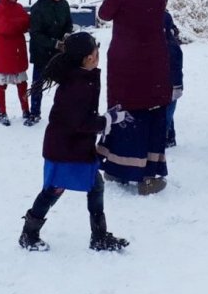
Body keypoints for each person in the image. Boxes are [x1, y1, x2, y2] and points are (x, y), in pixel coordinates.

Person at [19, 33, 131, 252]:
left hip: (73, 146)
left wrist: (105, 117)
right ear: (88, 59)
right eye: (96, 54)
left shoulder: (81, 77)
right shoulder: (78, 85)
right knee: (54, 190)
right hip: (65, 149)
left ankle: (98, 236)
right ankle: (29, 234)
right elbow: (81, 122)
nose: (99, 58)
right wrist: (108, 119)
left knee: (94, 186)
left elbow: (81, 117)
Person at [95, 0, 171, 195]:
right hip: (155, 62)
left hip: (126, 63)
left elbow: (103, 14)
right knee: (149, 115)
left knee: (125, 114)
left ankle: (117, 168)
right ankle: (148, 175)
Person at [28, 0, 73, 125]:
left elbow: (68, 24)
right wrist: (54, 43)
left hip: (59, 54)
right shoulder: (38, 8)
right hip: (42, 53)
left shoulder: (64, 5)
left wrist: (67, 35)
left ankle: (65, 112)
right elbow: (35, 34)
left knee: (66, 83)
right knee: (38, 84)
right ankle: (34, 113)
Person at [0, 0, 31, 127]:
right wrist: (19, 24)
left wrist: (18, 24)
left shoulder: (19, 8)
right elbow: (4, 27)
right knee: (2, 85)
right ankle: (2, 112)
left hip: (17, 53)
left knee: (22, 83)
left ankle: (26, 111)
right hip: (3, 55)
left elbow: (27, 23)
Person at [164, 0, 184, 147]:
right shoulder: (166, 42)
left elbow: (176, 68)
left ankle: (164, 137)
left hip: (171, 86)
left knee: (166, 114)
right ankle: (170, 136)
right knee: (166, 112)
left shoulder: (170, 46)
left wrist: (176, 86)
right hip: (166, 85)